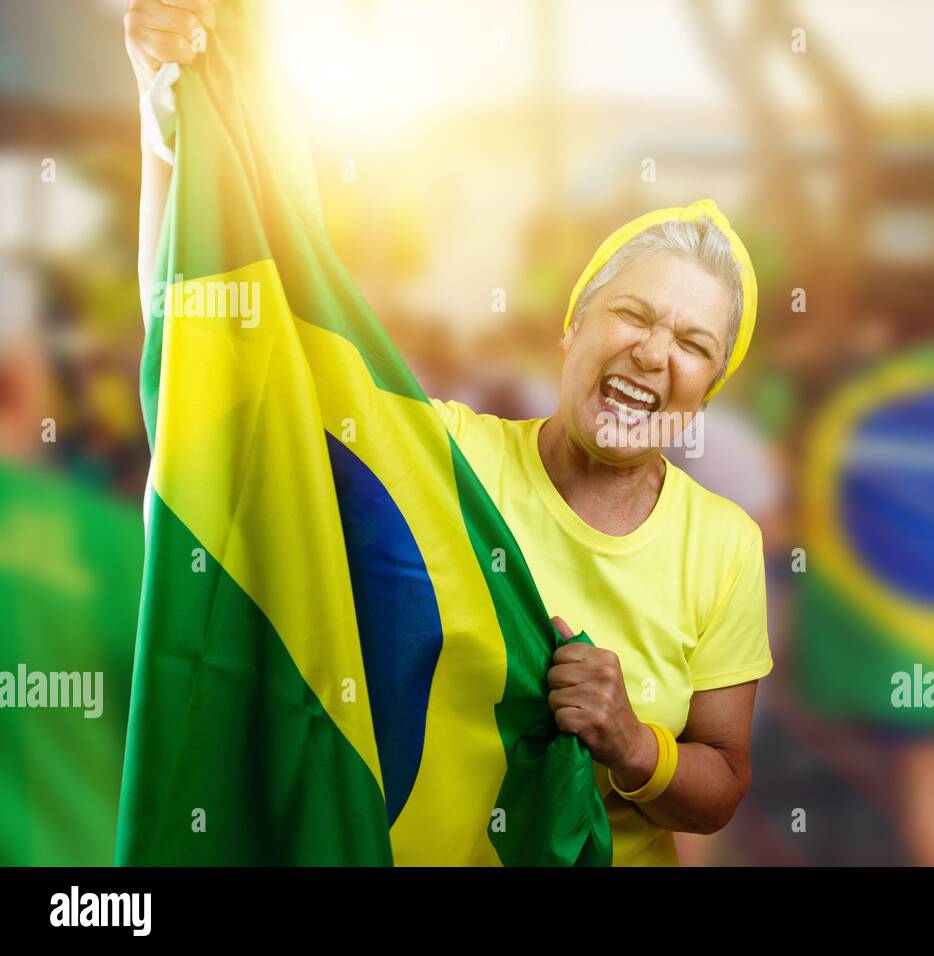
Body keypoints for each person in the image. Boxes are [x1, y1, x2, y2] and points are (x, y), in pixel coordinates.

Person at [123, 0, 772, 866]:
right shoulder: (448, 458)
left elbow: (722, 784)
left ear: (710, 389)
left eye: (694, 345)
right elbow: (236, 384)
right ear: (572, 327)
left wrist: (633, 743)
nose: (654, 353)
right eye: (632, 315)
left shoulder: (724, 546)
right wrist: (168, 118)